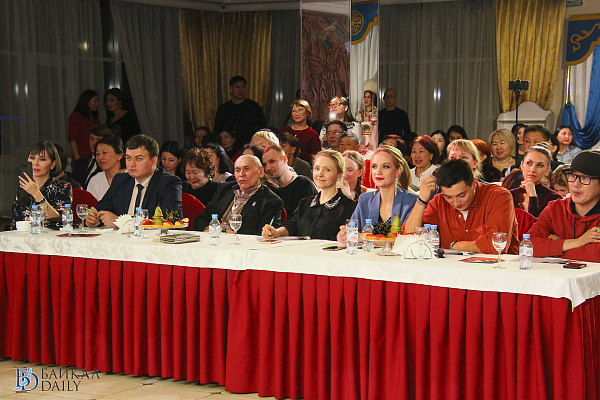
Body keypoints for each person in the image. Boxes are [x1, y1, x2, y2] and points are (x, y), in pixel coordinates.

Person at [404, 159, 519, 254]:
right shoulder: (439, 202)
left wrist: (455, 246)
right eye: (448, 197)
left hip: (498, 269)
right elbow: (409, 238)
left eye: (461, 195)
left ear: (474, 183)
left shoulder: (498, 196)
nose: (456, 203)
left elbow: (496, 245)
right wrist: (422, 199)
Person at [86, 135, 182, 228]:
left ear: (153, 161)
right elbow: (101, 210)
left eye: (138, 159)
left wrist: (121, 222)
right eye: (128, 158)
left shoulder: (169, 183)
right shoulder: (120, 180)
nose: (132, 164)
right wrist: (93, 219)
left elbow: (166, 221)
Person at [263, 150, 356, 241]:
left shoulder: (349, 207)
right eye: (317, 168)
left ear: (339, 174)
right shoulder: (305, 203)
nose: (320, 174)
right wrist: (276, 232)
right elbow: (291, 226)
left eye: (327, 169)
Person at [529, 150, 600, 262]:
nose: (576, 184)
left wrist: (554, 248)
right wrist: (577, 242)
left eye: (585, 178)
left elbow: (596, 255)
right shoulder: (555, 208)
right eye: (573, 176)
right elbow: (529, 245)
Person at [337, 145, 417, 242]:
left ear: (398, 171)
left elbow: (406, 240)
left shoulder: (412, 201)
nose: (378, 171)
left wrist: (363, 237)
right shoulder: (365, 199)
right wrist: (344, 235)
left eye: (385, 166)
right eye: (374, 166)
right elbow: (352, 232)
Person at [194, 154, 284, 235]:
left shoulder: (271, 201)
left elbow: (263, 235)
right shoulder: (225, 189)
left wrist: (223, 232)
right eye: (237, 170)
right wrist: (208, 230)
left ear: (260, 172)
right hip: (214, 240)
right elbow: (201, 219)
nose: (241, 174)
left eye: (247, 169)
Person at [12, 141, 72, 227]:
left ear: (52, 164)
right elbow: (16, 220)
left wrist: (36, 194)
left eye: (42, 159)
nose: (35, 163)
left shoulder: (62, 187)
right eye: (32, 158)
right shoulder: (23, 187)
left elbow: (61, 220)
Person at [262, 145, 317, 217]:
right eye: (265, 164)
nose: (268, 168)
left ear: (285, 159)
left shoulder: (304, 185)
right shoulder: (273, 191)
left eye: (272, 161)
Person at [509, 145, 561, 218]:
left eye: (540, 165)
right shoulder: (509, 195)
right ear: (522, 165)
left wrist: (532, 195)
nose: (532, 169)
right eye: (529, 163)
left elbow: (536, 223)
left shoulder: (554, 199)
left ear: (547, 170)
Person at [213, 76, 266, 146]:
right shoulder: (224, 108)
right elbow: (217, 129)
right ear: (231, 88)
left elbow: (262, 127)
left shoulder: (253, 106)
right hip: (228, 145)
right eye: (237, 87)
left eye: (243, 87)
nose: (241, 90)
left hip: (248, 144)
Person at [71, 124, 114, 189]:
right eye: (92, 138)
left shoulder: (109, 165)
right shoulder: (80, 163)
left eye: (98, 139)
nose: (94, 142)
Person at [86, 135, 126, 201]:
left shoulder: (131, 177)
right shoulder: (95, 180)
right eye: (97, 154)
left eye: (104, 152)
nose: (100, 157)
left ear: (119, 155)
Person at [68, 89, 100, 165]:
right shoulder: (76, 116)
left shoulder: (94, 117)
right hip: (81, 155)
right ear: (87, 102)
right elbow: (73, 139)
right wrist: (78, 159)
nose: (97, 104)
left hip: (93, 155)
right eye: (95, 101)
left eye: (98, 101)